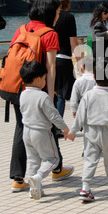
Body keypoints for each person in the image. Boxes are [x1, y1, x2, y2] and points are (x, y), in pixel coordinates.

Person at [9, 0, 72, 193]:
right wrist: (50, 95)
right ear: (50, 13)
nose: (58, 16)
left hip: (17, 88)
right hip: (38, 91)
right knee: (45, 128)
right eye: (57, 13)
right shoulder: (50, 33)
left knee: (22, 128)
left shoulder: (21, 29)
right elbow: (51, 68)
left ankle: (19, 179)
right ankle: (55, 168)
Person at [68, 58, 108, 203]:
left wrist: (73, 132)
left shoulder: (87, 96)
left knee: (90, 160)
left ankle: (85, 188)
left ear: (94, 76)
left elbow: (80, 117)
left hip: (90, 132)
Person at [19, 61, 73, 200]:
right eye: (44, 78)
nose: (45, 81)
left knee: (32, 160)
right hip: (41, 133)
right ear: (38, 79)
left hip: (27, 132)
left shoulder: (23, 95)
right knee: (53, 159)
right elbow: (54, 116)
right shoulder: (42, 96)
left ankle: (34, 189)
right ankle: (38, 177)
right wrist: (66, 129)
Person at [50, 0, 81, 117]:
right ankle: (58, 126)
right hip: (64, 59)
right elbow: (73, 43)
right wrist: (80, 61)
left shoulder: (49, 17)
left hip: (49, 57)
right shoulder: (69, 17)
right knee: (62, 94)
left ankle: (51, 125)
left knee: (52, 92)